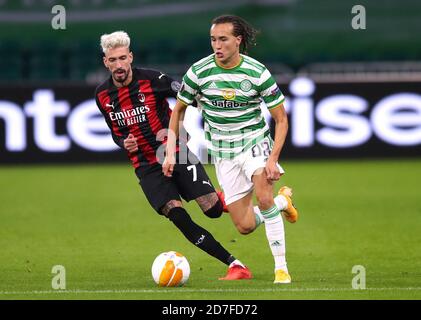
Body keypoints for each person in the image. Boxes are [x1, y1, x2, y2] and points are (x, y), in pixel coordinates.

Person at [94, 30, 251, 280]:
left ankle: (266, 206)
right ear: (106, 62)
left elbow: (188, 96)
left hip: (176, 151)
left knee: (211, 209)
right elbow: (115, 133)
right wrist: (125, 142)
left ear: (131, 57)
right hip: (145, 165)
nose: (119, 65)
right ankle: (235, 265)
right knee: (176, 214)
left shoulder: (154, 79)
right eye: (113, 60)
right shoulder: (102, 96)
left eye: (123, 58)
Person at [163, 15, 299, 284]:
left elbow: (281, 119)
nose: (217, 45)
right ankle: (284, 202)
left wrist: (272, 160)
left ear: (238, 40)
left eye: (223, 39)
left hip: (255, 143)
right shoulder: (199, 72)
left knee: (263, 197)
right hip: (224, 153)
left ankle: (281, 269)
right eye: (213, 39)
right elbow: (177, 111)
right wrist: (169, 151)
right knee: (245, 226)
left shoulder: (257, 73)